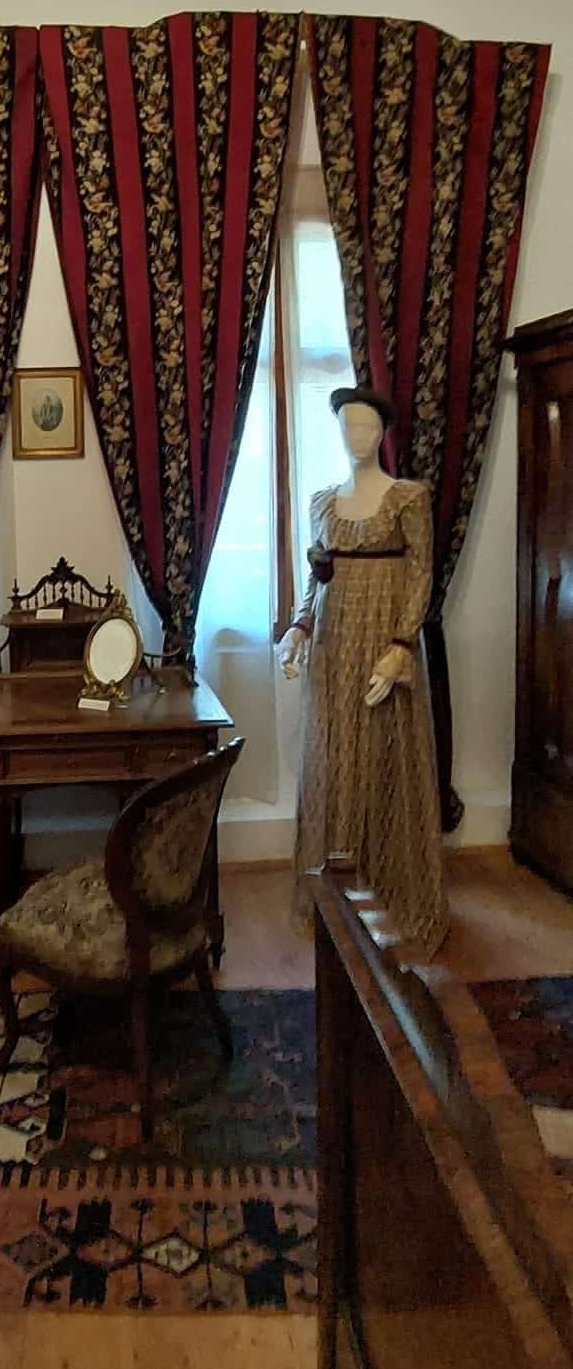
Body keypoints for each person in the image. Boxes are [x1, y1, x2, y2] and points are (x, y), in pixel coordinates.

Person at [278, 386, 449, 955]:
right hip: (333, 642)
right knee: (334, 756)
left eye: (365, 425)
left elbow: (421, 574)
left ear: (382, 433)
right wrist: (300, 626)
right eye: (347, 425)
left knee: (385, 753)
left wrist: (402, 645)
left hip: (382, 639)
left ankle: (395, 897)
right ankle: (332, 901)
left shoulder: (408, 498)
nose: (356, 435)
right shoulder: (323, 502)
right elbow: (316, 572)